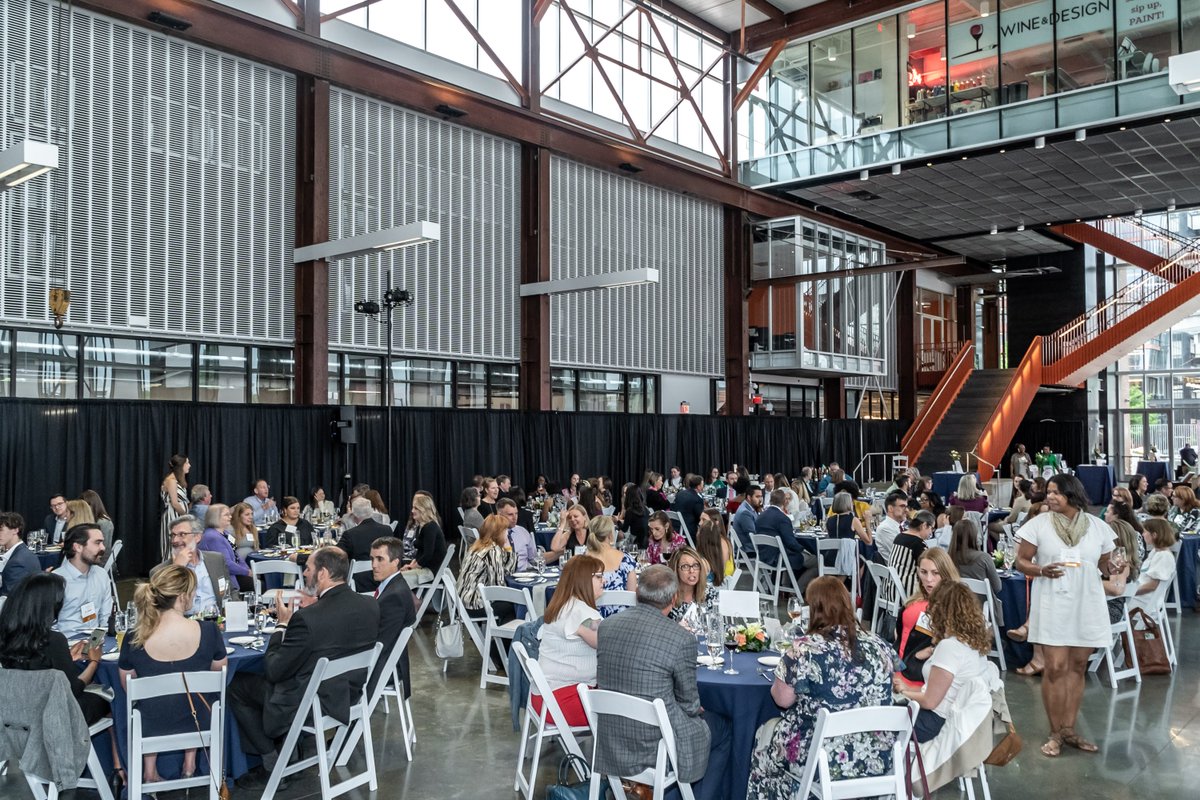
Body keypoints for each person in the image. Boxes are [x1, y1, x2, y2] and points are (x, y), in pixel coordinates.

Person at [229, 547, 379, 788]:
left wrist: (281, 625)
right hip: (348, 695)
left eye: (308, 568)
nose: (305, 573)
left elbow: (275, 670)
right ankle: (288, 749)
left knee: (237, 684)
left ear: (323, 574)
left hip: (311, 704)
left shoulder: (308, 619)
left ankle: (272, 765)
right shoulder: (369, 605)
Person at [747, 577, 897, 800]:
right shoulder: (880, 644)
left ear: (814, 609)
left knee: (765, 735)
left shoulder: (804, 649)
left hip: (821, 757)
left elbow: (782, 700)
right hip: (876, 756)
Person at [594, 565, 730, 800]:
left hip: (612, 738)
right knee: (724, 728)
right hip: (655, 744)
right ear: (674, 599)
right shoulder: (680, 639)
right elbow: (689, 705)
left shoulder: (607, 626)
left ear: (637, 593)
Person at [1015, 473, 1114, 757]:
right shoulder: (1038, 525)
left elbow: (1106, 564)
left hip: (1088, 602)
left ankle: (1069, 729)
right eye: (1049, 492)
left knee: (1078, 667)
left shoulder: (1097, 527)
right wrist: (1040, 570)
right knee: (1055, 667)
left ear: (1072, 494)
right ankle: (1055, 732)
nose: (1050, 497)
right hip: (1052, 602)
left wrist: (1115, 567)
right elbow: (1020, 561)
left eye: (1056, 492)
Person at [118, 565, 227, 782]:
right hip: (200, 721)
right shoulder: (208, 631)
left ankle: (149, 771)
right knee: (200, 693)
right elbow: (220, 676)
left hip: (150, 723)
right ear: (183, 596)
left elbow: (128, 686)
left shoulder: (134, 637)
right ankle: (190, 762)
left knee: (149, 701)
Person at [896, 581, 998, 782]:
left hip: (935, 721)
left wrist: (902, 693)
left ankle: (886, 779)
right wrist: (908, 689)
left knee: (877, 718)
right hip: (954, 717)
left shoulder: (950, 647)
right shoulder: (973, 644)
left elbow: (931, 702)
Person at [534, 554, 605, 727]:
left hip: (543, 698)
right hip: (561, 702)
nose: (604, 581)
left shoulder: (563, 605)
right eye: (599, 576)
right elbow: (606, 643)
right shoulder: (581, 613)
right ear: (583, 580)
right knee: (624, 710)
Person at [896, 547, 960, 690]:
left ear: (945, 574)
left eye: (935, 573)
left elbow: (956, 645)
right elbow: (900, 634)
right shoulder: (918, 598)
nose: (928, 579)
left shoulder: (952, 604)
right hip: (899, 668)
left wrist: (925, 653)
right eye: (924, 572)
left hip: (922, 677)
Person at [368, 536, 416, 699]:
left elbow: (381, 643)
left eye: (380, 559)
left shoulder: (394, 596)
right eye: (372, 559)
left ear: (396, 562)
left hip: (386, 667)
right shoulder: (393, 585)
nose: (374, 565)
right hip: (386, 659)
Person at [154, 516, 232, 615]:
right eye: (173, 535)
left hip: (217, 621)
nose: (175, 540)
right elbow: (160, 605)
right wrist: (177, 568)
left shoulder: (216, 559)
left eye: (182, 534)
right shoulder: (159, 571)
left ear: (197, 537)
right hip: (183, 625)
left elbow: (230, 590)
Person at [53, 524, 112, 639]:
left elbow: (106, 616)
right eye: (97, 543)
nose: (103, 548)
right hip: (66, 643)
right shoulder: (56, 580)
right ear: (78, 547)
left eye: (102, 543)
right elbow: (48, 625)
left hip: (95, 641)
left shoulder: (101, 575)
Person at [459, 514, 518, 620]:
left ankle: (485, 635)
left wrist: (508, 551)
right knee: (516, 605)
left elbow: (506, 571)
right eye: (505, 530)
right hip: (475, 604)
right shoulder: (492, 550)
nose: (508, 533)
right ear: (498, 533)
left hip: (462, 601)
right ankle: (503, 636)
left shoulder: (477, 546)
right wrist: (509, 548)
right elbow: (498, 586)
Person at [757, 488, 818, 589]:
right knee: (817, 562)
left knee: (788, 553)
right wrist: (805, 550)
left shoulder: (760, 516)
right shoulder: (783, 518)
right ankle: (798, 589)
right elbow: (791, 543)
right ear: (785, 502)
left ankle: (786, 588)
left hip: (763, 555)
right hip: (778, 558)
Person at [949, 517, 1003, 624]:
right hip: (982, 609)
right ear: (974, 535)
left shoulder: (948, 558)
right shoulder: (983, 558)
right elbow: (997, 587)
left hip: (956, 607)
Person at [337, 497, 395, 590]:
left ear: (354, 515)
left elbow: (337, 554)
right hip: (385, 579)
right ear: (371, 511)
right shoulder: (387, 530)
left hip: (359, 583)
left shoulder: (350, 534)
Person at [587, 516, 637, 617]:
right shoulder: (626, 560)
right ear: (610, 535)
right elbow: (632, 596)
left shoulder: (582, 561)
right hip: (621, 621)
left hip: (591, 619)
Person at [1127, 519, 1177, 615]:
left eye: (1145, 532)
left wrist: (1130, 591)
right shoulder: (1156, 552)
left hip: (1144, 602)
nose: (1143, 534)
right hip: (1142, 598)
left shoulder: (1164, 556)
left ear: (1154, 535)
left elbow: (1152, 585)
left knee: (1111, 603)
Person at [398, 493, 448, 589]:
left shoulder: (430, 527)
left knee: (398, 578)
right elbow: (421, 554)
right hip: (425, 567)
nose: (412, 511)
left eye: (416, 508)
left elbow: (428, 554)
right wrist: (410, 565)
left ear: (424, 510)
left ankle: (415, 602)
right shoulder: (423, 526)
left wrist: (412, 567)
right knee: (396, 576)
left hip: (432, 571)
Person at [200, 505, 253, 591]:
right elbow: (226, 564)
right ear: (215, 517)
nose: (230, 517)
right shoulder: (213, 537)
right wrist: (247, 572)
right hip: (222, 578)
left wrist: (247, 570)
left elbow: (236, 555)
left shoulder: (225, 533)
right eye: (226, 515)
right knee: (258, 585)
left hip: (233, 573)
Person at [888, 504, 931, 598]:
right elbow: (928, 570)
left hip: (891, 590)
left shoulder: (899, 537)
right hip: (907, 594)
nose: (930, 533)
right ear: (924, 525)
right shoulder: (918, 544)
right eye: (931, 528)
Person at [0, 512, 40, 597]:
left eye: (0, 529)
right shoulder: (22, 553)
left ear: (15, 530)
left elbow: (9, 599)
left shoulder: (18, 562)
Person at [667, 546, 709, 624]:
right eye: (685, 566)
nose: (692, 570)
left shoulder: (709, 592)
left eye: (696, 565)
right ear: (676, 570)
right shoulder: (667, 595)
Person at [160, 455, 190, 559]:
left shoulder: (178, 480)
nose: (189, 466)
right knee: (172, 546)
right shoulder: (171, 480)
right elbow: (175, 503)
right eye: (187, 463)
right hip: (173, 517)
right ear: (181, 465)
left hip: (179, 517)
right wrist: (186, 516)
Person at [695, 511, 734, 587]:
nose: (700, 523)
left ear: (716, 522)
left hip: (719, 582)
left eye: (704, 520)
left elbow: (721, 569)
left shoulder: (722, 543)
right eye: (700, 519)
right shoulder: (708, 541)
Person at [496, 498, 537, 570]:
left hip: (526, 575)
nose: (515, 518)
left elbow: (533, 559)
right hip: (503, 576)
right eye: (510, 514)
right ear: (499, 515)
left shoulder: (522, 531)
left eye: (516, 513)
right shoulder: (493, 534)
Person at [875, 490, 908, 561]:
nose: (906, 510)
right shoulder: (884, 528)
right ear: (890, 508)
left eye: (906, 506)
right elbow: (901, 553)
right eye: (902, 506)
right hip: (896, 569)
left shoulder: (900, 526)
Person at [730, 483, 763, 555]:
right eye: (757, 497)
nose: (760, 499)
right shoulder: (745, 513)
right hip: (748, 549)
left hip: (749, 546)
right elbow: (753, 535)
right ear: (749, 497)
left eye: (761, 496)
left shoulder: (749, 507)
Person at [616, 482, 649, 549]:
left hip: (634, 541)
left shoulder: (630, 511)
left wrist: (618, 522)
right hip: (646, 541)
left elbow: (624, 529)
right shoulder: (645, 509)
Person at [674, 474, 705, 542]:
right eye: (702, 485)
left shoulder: (680, 494)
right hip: (688, 532)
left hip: (675, 527)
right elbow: (700, 519)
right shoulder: (697, 499)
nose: (703, 487)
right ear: (698, 486)